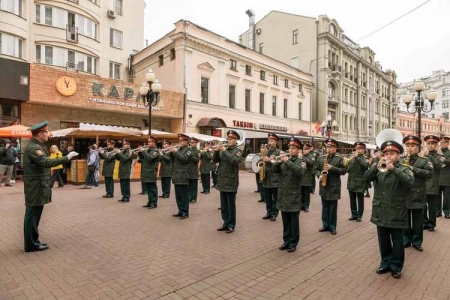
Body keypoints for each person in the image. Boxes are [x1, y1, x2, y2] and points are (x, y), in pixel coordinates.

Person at [23, 121, 78, 252]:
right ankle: (31, 244)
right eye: (46, 132)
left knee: (35, 215)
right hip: (35, 186)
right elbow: (46, 162)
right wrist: (66, 158)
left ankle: (34, 241)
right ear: (41, 133)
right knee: (32, 215)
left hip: (38, 185)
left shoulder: (38, 145)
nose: (48, 134)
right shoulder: (33, 148)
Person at [365, 139, 414, 279]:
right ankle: (385, 263)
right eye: (386, 153)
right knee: (383, 239)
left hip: (397, 210)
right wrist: (376, 165)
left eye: (392, 153)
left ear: (398, 155)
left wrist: (393, 169)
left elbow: (409, 182)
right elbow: (366, 177)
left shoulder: (405, 169)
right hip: (380, 210)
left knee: (398, 241)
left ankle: (396, 266)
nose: (388, 156)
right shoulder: (379, 167)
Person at [401, 136, 433, 252]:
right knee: (405, 219)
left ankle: (417, 242)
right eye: (408, 145)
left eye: (413, 146)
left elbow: (430, 173)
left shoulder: (424, 160)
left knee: (417, 221)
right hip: (403, 194)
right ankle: (406, 239)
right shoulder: (400, 159)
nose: (410, 148)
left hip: (418, 194)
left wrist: (413, 169)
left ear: (417, 147)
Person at [273, 138, 305, 253]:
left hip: (294, 195)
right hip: (283, 194)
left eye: (293, 148)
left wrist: (287, 161)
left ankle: (293, 242)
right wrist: (278, 161)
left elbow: (300, 173)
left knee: (293, 221)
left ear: (298, 150)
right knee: (285, 220)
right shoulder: (285, 161)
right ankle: (286, 241)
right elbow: (274, 170)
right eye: (290, 148)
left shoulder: (301, 161)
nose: (291, 150)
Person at [315, 138, 346, 235]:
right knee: (325, 207)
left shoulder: (339, 158)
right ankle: (325, 225)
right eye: (327, 146)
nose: (328, 149)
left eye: (331, 147)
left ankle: (332, 227)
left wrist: (332, 168)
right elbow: (316, 169)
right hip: (324, 185)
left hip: (334, 186)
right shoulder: (321, 158)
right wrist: (319, 175)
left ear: (335, 148)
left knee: (332, 208)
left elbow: (343, 171)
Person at [214, 130, 242, 234]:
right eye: (228, 139)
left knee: (231, 205)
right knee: (224, 204)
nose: (229, 140)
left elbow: (234, 161)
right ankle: (225, 222)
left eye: (231, 139)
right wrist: (217, 151)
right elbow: (215, 160)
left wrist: (224, 151)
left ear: (235, 140)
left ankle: (231, 224)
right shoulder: (223, 150)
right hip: (222, 180)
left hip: (231, 181)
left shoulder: (238, 151)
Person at [345, 142, 370, 222]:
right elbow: (348, 170)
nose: (357, 150)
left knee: (360, 200)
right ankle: (354, 214)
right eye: (356, 149)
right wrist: (346, 164)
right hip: (351, 181)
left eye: (359, 149)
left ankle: (359, 215)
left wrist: (357, 158)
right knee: (352, 199)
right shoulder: (351, 158)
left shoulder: (365, 158)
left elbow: (365, 166)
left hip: (360, 182)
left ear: (363, 150)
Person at [423, 135, 443, 232]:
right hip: (422, 184)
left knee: (432, 207)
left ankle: (431, 224)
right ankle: (424, 222)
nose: (430, 145)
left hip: (433, 184)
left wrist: (429, 156)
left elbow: (438, 167)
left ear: (436, 145)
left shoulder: (440, 156)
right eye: (429, 143)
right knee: (422, 206)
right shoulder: (422, 155)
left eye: (432, 143)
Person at [170, 134, 192, 219]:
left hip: (183, 175)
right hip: (176, 174)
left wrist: (176, 152)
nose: (180, 142)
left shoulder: (189, 150)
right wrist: (172, 153)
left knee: (184, 195)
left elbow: (184, 159)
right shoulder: (179, 149)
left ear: (186, 142)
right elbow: (173, 161)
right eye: (179, 141)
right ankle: (180, 210)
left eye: (182, 141)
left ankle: (185, 212)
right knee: (178, 195)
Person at [261, 133, 281, 222]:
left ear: (276, 142)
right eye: (269, 140)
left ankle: (274, 214)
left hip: (275, 179)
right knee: (267, 198)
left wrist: (267, 159)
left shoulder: (279, 152)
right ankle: (269, 213)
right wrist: (262, 156)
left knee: (275, 198)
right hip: (266, 178)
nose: (270, 142)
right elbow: (261, 161)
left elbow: (279, 163)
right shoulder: (266, 151)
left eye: (272, 141)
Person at [139, 136, 160, 209]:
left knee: (153, 188)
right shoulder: (147, 150)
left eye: (150, 142)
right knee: (148, 188)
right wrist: (140, 152)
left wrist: (143, 151)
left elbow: (150, 158)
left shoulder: (156, 151)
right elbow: (141, 159)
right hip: (146, 171)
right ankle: (149, 201)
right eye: (148, 142)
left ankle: (154, 203)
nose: (148, 143)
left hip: (151, 171)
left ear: (154, 143)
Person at [300, 142, 315, 212]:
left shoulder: (311, 156)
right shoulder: (301, 156)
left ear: (309, 150)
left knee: (306, 194)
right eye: (304, 149)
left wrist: (302, 157)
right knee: (301, 193)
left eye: (306, 149)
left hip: (307, 178)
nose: (304, 151)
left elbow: (311, 163)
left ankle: (306, 206)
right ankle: (302, 205)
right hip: (301, 178)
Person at [439, 136, 450, 218]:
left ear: (447, 143)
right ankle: (438, 212)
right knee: (437, 197)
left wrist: (444, 160)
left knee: (447, 198)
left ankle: (446, 212)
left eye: (444, 143)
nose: (442, 144)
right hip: (437, 178)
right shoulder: (438, 152)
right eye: (441, 143)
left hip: (447, 179)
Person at [187, 137, 200, 203]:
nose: (191, 144)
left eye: (193, 143)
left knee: (194, 186)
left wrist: (191, 155)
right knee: (189, 185)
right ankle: (189, 197)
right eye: (191, 143)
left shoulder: (198, 151)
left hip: (194, 170)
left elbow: (197, 160)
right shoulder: (188, 150)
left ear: (196, 143)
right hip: (188, 170)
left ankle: (194, 198)